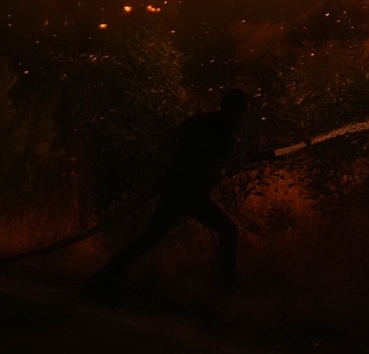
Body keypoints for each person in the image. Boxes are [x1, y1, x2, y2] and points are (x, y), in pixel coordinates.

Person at [90, 88, 250, 299]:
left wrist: (179, 161)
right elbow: (212, 169)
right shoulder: (225, 134)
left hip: (175, 187)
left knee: (151, 236)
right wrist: (223, 170)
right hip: (192, 195)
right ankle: (227, 286)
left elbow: (171, 137)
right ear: (238, 111)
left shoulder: (202, 120)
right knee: (229, 231)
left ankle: (108, 273)